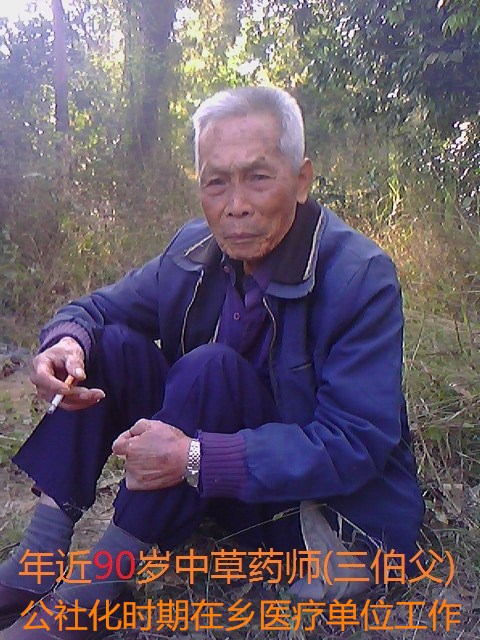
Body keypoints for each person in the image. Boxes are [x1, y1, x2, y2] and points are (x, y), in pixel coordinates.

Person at [0, 86, 424, 639]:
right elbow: (95, 309)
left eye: (259, 177)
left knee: (211, 370)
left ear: (301, 180)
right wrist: (66, 344)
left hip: (315, 516)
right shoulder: (194, 253)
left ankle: (100, 586)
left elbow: (355, 442)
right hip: (231, 491)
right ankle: (37, 560)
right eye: (216, 182)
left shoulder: (359, 278)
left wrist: (194, 458)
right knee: (110, 345)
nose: (235, 204)